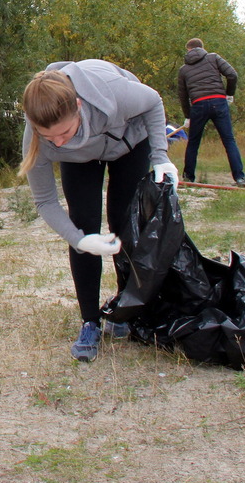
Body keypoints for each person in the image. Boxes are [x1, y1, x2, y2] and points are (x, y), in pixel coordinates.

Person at [19, 60, 178, 363]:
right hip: (80, 161)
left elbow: (153, 101)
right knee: (83, 223)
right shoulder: (41, 139)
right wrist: (79, 240)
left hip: (128, 142)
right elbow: (45, 202)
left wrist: (160, 157)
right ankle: (90, 321)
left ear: (78, 105)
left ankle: (124, 308)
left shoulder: (112, 94)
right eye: (49, 137)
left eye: (64, 132)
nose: (58, 141)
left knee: (124, 220)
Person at [176, 38, 245, 188]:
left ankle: (188, 178)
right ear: (202, 47)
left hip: (198, 105)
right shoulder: (213, 58)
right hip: (218, 102)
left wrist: (187, 116)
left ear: (188, 50)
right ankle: (240, 178)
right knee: (229, 140)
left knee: (193, 143)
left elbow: (183, 95)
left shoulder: (183, 70)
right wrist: (229, 94)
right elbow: (232, 75)